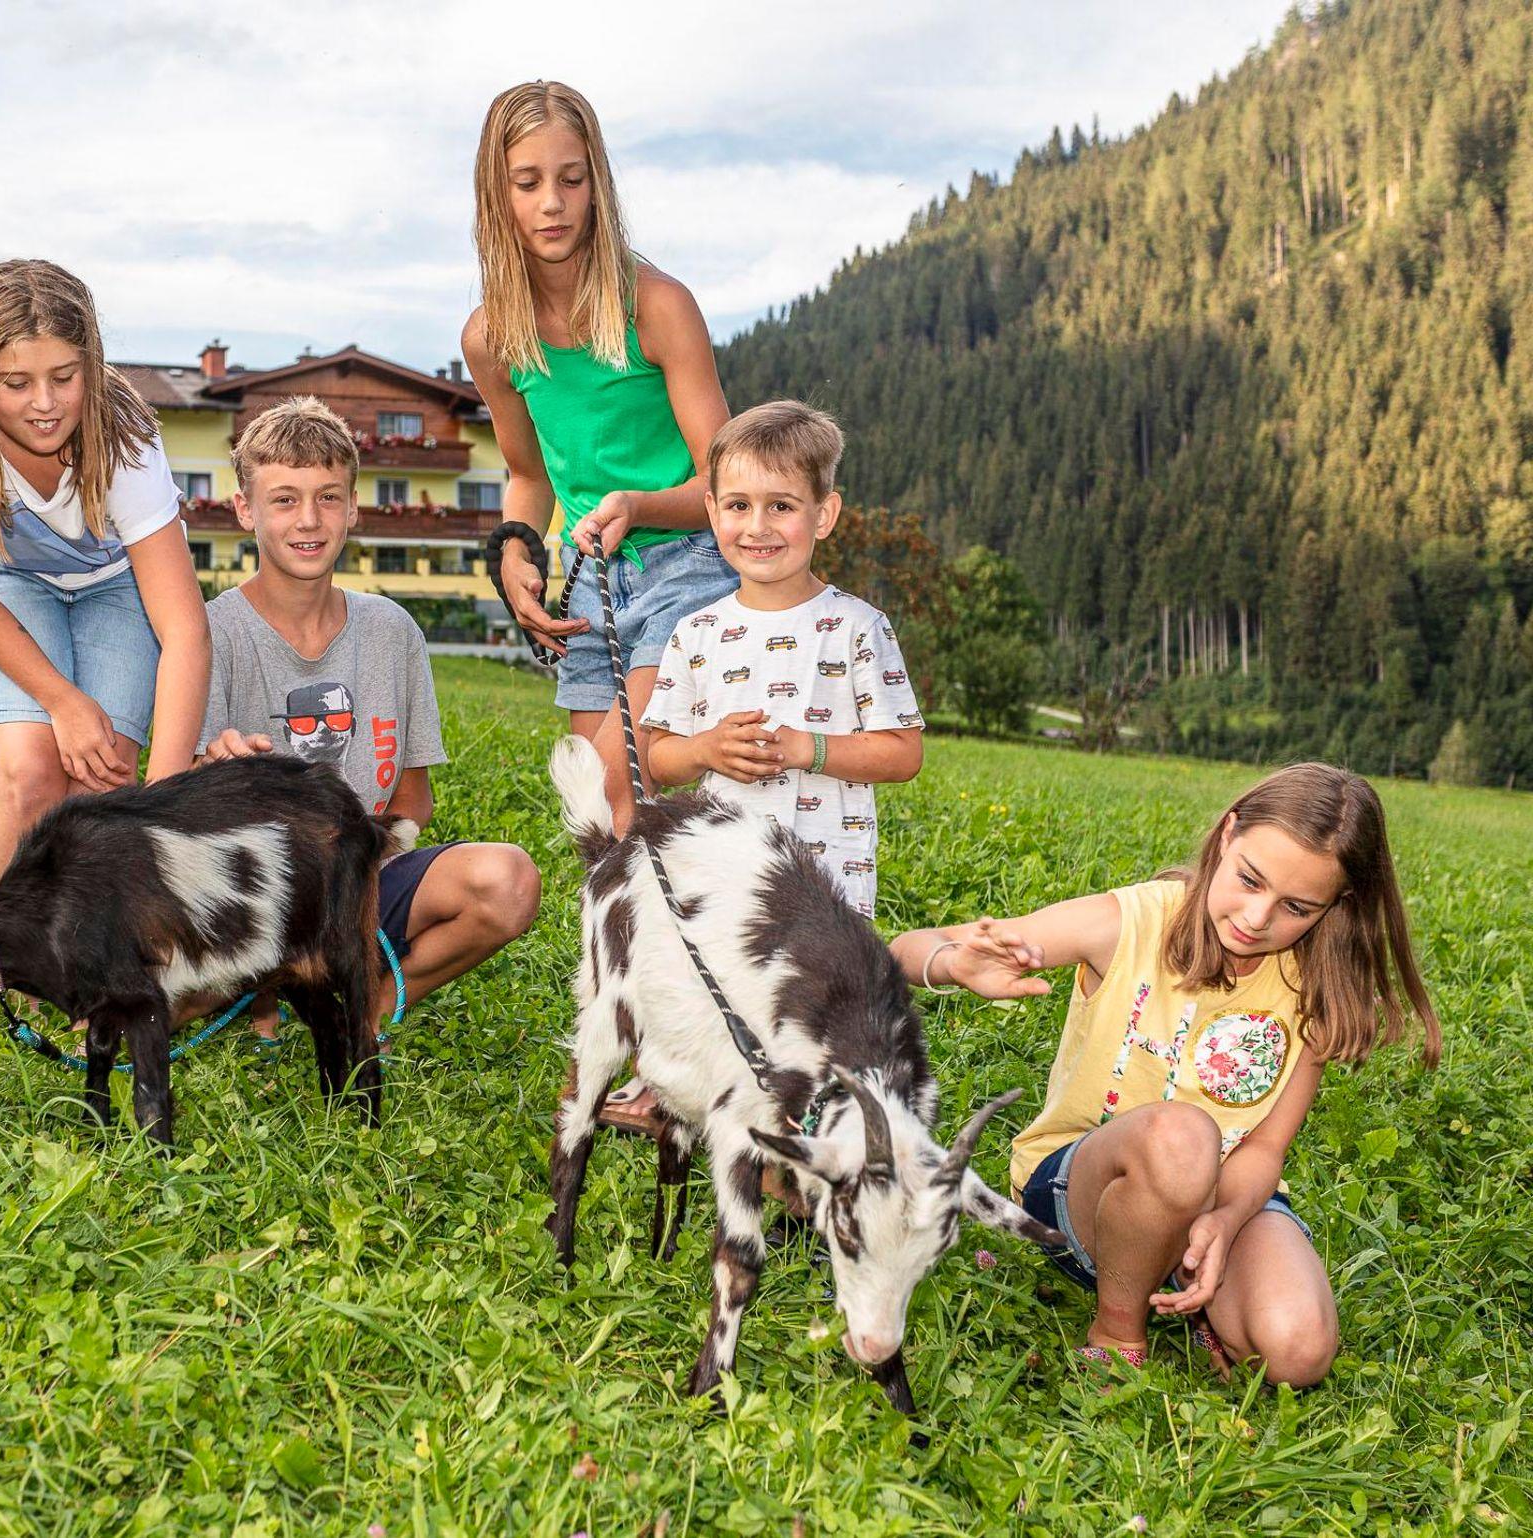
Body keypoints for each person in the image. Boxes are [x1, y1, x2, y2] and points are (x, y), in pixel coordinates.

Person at [890, 764, 1442, 1386]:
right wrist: (953, 963)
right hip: (1081, 1199)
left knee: (1298, 1351)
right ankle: (1117, 1330)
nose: (1256, 917)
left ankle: (1196, 1289)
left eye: (1295, 907)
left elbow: (1264, 1149)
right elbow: (907, 948)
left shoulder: (1317, 988)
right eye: (1249, 879)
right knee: (1182, 1137)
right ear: (1227, 834)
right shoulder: (1130, 923)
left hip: (1220, 1200)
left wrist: (1225, 1222)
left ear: (1336, 905)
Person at [198, 397, 541, 1037]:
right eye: (284, 499)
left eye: (328, 498)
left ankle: (368, 1008)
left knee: (509, 881)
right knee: (142, 1004)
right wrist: (217, 776)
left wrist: (353, 881)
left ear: (354, 507)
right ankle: (261, 1000)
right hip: (251, 896)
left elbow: (412, 799)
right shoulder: (210, 633)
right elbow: (184, 800)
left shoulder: (392, 632)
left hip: (361, 884)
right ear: (244, 509)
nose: (309, 519)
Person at [461, 79, 739, 834]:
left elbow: (726, 484)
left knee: (628, 783)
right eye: (527, 183)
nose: (552, 203)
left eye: (571, 179)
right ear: (497, 196)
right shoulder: (491, 338)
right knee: (604, 815)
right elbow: (529, 476)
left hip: (689, 566)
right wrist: (514, 551)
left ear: (597, 185)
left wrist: (638, 505)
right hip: (589, 589)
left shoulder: (658, 305)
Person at [0, 258, 208, 888]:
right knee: (30, 771)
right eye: (16, 383)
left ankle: (84, 948)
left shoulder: (126, 437)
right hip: (14, 579)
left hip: (120, 584)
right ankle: (2, 948)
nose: (45, 404)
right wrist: (63, 702)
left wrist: (161, 805)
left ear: (90, 365)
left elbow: (184, 631)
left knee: (100, 779)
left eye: (64, 377)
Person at [640, 401, 924, 922]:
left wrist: (807, 748)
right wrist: (705, 748)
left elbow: (903, 755)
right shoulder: (694, 632)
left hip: (829, 892)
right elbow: (659, 759)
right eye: (738, 505)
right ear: (712, 512)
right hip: (717, 882)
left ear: (824, 515)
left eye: (781, 506)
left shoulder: (859, 627)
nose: (757, 527)